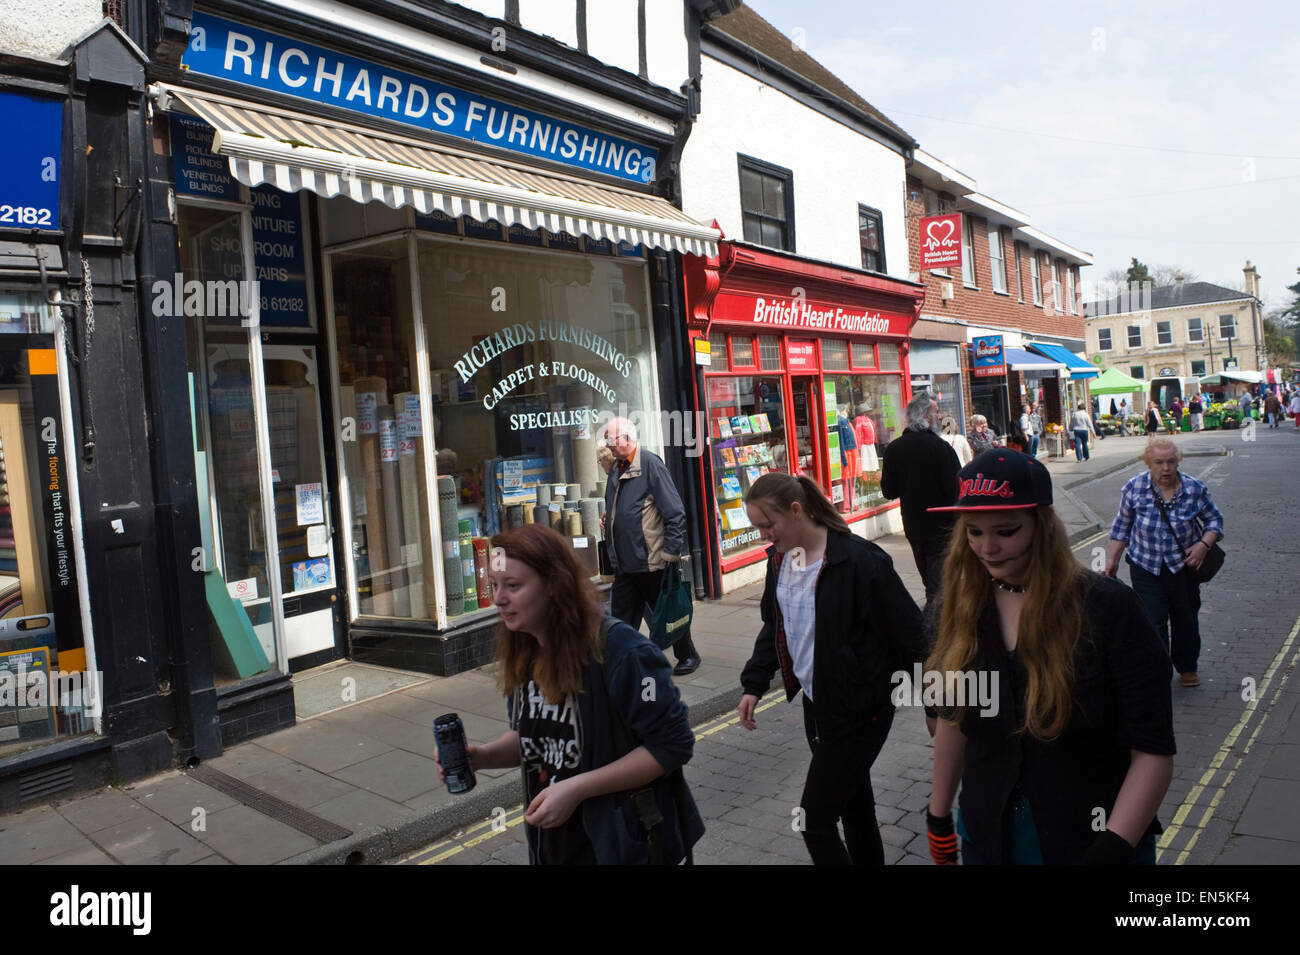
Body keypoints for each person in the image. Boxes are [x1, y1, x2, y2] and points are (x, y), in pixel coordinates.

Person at [924, 450, 1175, 865]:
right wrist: (938, 813)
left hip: (1090, 838)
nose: (987, 548)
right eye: (973, 532)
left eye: (1005, 531)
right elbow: (954, 719)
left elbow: (1152, 748)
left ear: (1042, 526)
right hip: (988, 836)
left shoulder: (1110, 609)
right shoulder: (958, 607)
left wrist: (1112, 847)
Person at [434, 524, 704, 864]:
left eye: (513, 586)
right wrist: (482, 757)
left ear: (553, 585)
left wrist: (577, 787)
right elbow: (536, 739)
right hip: (556, 847)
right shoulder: (525, 652)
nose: (499, 598)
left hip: (622, 845)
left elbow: (672, 745)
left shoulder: (622, 651)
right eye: (494, 585)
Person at [737, 473, 926, 865]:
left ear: (795, 510)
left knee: (814, 820)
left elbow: (912, 635)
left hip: (860, 711)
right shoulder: (780, 562)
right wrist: (754, 683)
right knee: (855, 808)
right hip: (817, 705)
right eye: (757, 528)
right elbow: (776, 626)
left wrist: (937, 704)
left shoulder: (860, 561)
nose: (764, 536)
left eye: (768, 525)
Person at [1104, 437, 1224, 687]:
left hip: (1184, 567)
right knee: (1153, 620)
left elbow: (1214, 522)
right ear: (1149, 462)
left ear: (1178, 461)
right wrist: (1112, 561)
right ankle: (1158, 671)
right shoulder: (1134, 488)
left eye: (1171, 462)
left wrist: (1203, 545)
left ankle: (1187, 667)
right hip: (1145, 565)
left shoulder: (1194, 489)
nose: (1166, 468)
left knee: (1185, 618)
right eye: (1159, 462)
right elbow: (1121, 528)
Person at [601, 416, 701, 675]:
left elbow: (675, 511)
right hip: (624, 561)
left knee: (665, 612)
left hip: (650, 560)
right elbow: (618, 504)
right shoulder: (615, 468)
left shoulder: (650, 464)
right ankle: (619, 662)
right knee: (620, 618)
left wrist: (671, 551)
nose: (608, 445)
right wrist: (609, 518)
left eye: (611, 440)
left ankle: (688, 655)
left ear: (626, 438)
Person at [881, 392, 961, 604]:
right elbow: (956, 490)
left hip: (914, 526)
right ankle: (934, 630)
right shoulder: (941, 448)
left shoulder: (894, 449)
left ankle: (936, 627)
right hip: (942, 527)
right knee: (940, 588)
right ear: (925, 416)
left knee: (931, 582)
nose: (939, 416)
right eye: (936, 412)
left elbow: (888, 491)